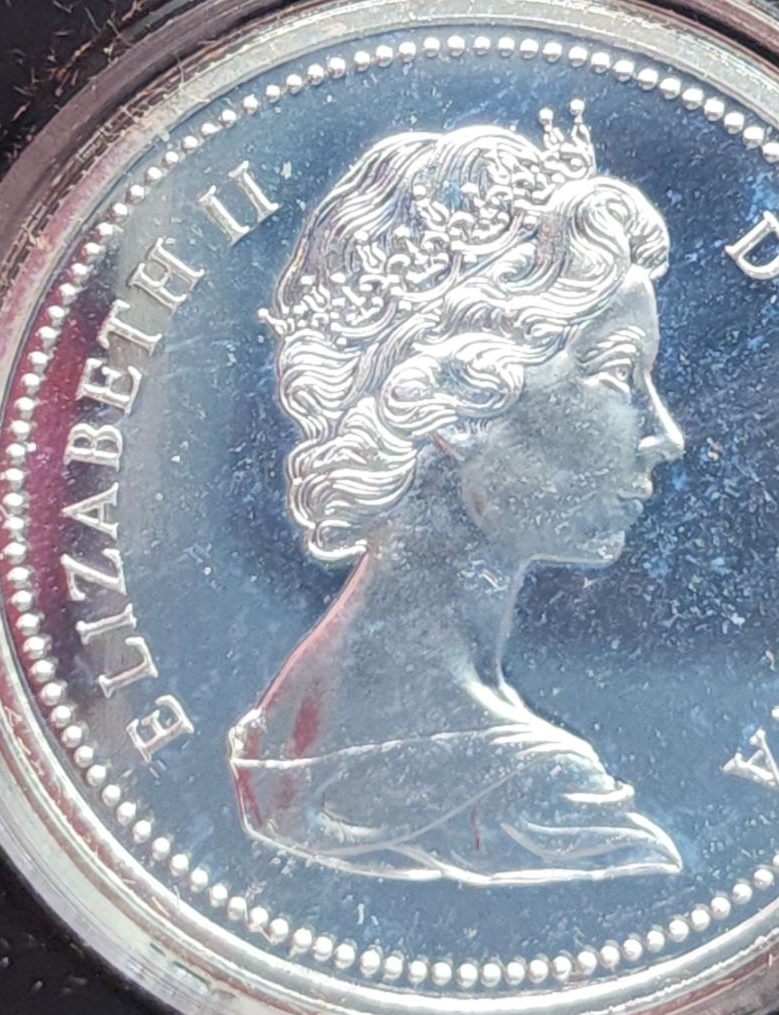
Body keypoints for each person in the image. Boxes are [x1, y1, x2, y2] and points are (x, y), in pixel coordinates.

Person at [228, 102, 688, 886]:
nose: (664, 433)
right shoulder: (550, 805)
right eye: (617, 372)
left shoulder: (278, 728)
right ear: (458, 403)